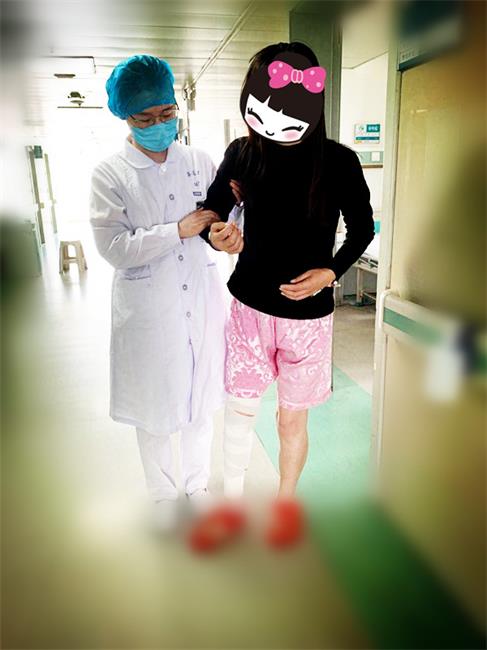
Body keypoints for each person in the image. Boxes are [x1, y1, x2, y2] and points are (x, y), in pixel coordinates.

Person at [189, 42, 375, 550]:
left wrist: (331, 272)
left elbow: (362, 228)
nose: (270, 124)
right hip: (248, 307)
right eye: (260, 110)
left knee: (291, 419)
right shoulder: (243, 153)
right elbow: (212, 211)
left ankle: (285, 503)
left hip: (308, 318)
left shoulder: (339, 161)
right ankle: (230, 507)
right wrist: (217, 234)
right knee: (239, 412)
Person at [89, 54, 227, 528]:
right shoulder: (110, 175)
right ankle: (164, 495)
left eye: (167, 113)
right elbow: (113, 247)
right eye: (145, 119)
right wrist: (177, 230)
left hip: (200, 299)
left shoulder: (199, 161)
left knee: (200, 400)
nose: (159, 125)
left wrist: (226, 233)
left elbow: (221, 219)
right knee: (155, 408)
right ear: (125, 118)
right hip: (149, 308)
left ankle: (198, 485)